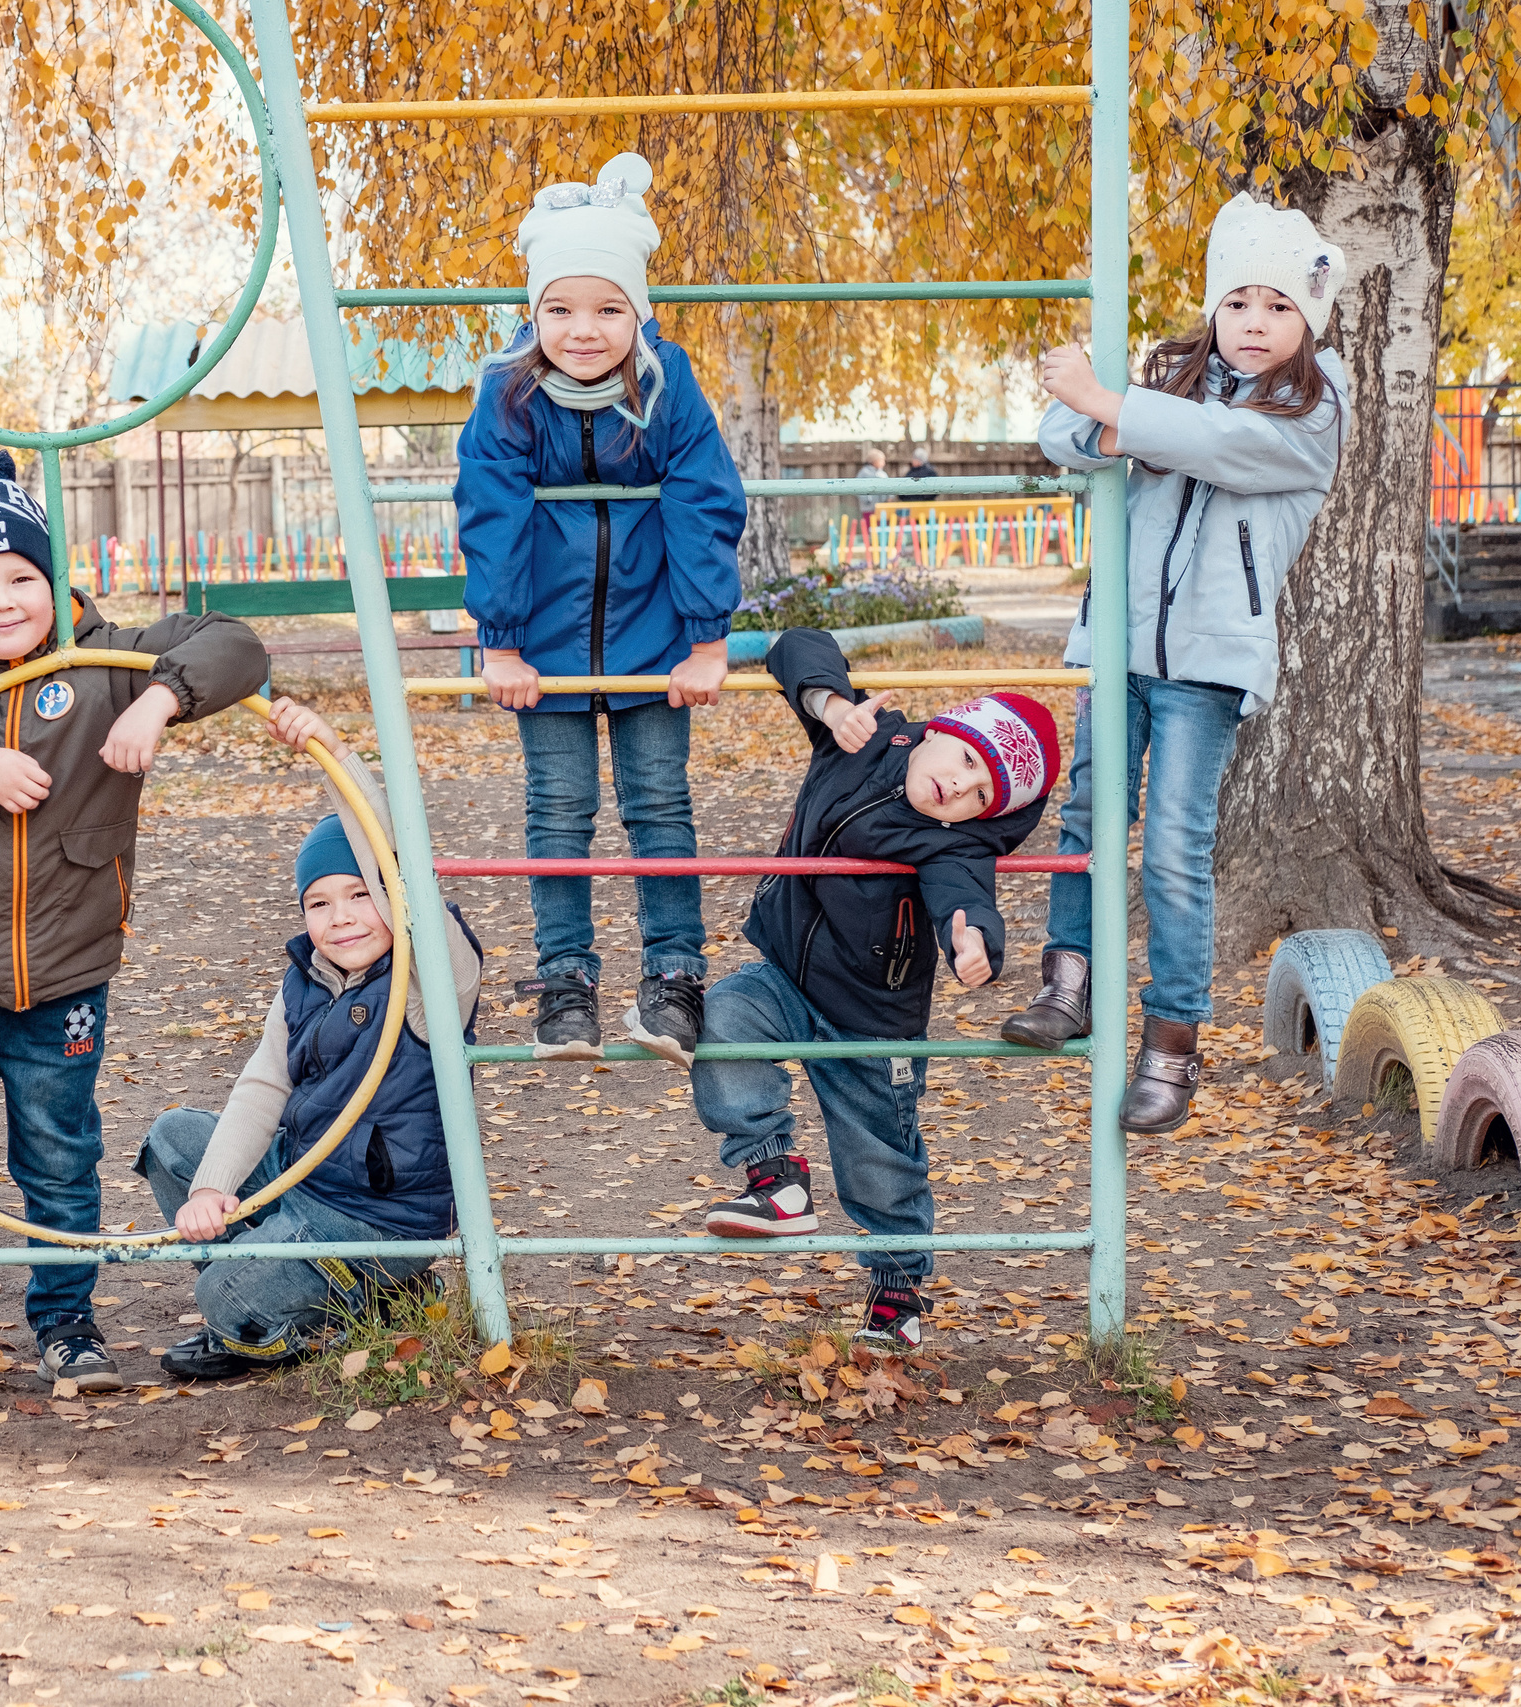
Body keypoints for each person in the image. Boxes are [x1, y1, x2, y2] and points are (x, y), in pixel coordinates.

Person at [0, 451, 269, 1392]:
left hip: (66, 973)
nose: (1, 599)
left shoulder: (110, 667)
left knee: (60, 1153)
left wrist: (160, 696)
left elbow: (236, 643)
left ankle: (67, 1323)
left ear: (63, 585)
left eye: (22, 577)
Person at [1005, 193, 1349, 1133]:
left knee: (1175, 851)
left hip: (1207, 660)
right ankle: (1066, 983)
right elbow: (1060, 436)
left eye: (1279, 306)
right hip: (1114, 647)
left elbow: (1227, 447)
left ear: (1308, 321)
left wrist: (1119, 413)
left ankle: (1171, 1046)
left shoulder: (1317, 405)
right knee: (1085, 819)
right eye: (1238, 301)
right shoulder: (1169, 374)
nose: (1255, 323)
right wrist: (1110, 415)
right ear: (1212, 305)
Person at [455, 152, 747, 1067]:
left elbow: (703, 501)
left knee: (660, 805)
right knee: (558, 811)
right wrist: (498, 643)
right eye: (562, 309)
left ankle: (674, 976)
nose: (584, 330)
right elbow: (492, 513)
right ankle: (566, 980)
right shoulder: (507, 393)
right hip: (543, 647)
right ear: (533, 311)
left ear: (639, 312)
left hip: (656, 640)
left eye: (609, 309)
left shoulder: (665, 387)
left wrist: (707, 638)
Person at [695, 628, 1057, 1351]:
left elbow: (965, 893)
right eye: (964, 759)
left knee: (879, 1153)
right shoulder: (861, 737)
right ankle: (775, 1174)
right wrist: (831, 706)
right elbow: (797, 644)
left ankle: (897, 1286)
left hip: (872, 1015)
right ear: (940, 731)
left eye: (980, 794)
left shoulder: (952, 839)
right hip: (788, 974)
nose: (960, 786)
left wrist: (972, 939)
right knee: (724, 1020)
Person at [140, 701, 485, 1381]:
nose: (342, 918)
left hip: (377, 1217)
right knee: (174, 1139)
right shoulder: (307, 979)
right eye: (318, 902)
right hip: (304, 1177)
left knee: (224, 1294)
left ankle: (320, 1301)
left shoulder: (430, 980)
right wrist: (212, 1187)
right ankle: (295, 1284)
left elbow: (402, 866)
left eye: (360, 895)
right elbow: (264, 1086)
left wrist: (333, 752)